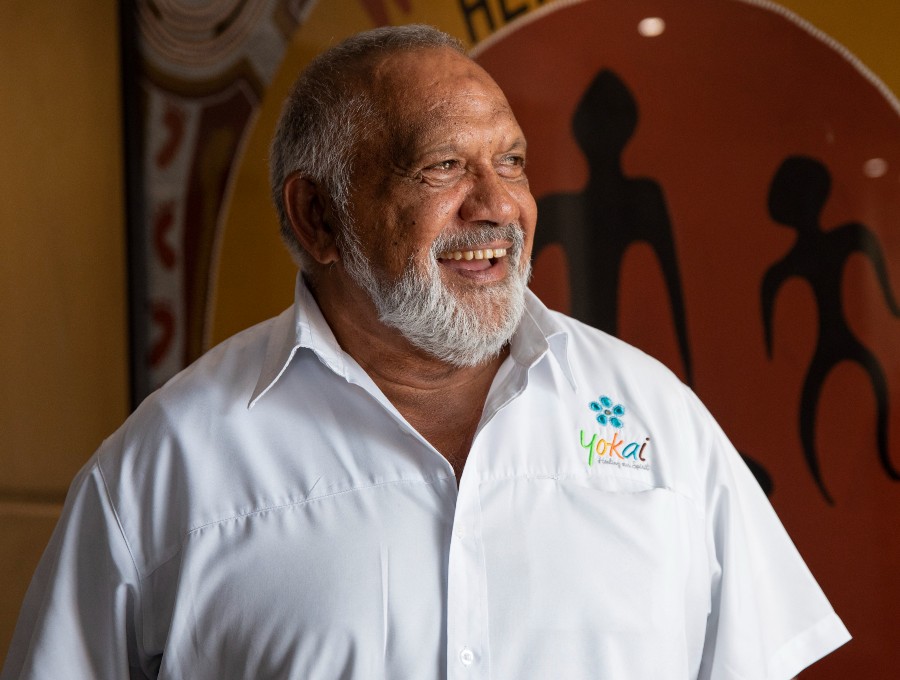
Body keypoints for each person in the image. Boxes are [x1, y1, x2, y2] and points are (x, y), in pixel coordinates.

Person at [3, 25, 849, 680]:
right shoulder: (164, 469)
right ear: (318, 219)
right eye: (442, 166)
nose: (499, 206)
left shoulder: (658, 417)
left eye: (510, 161)